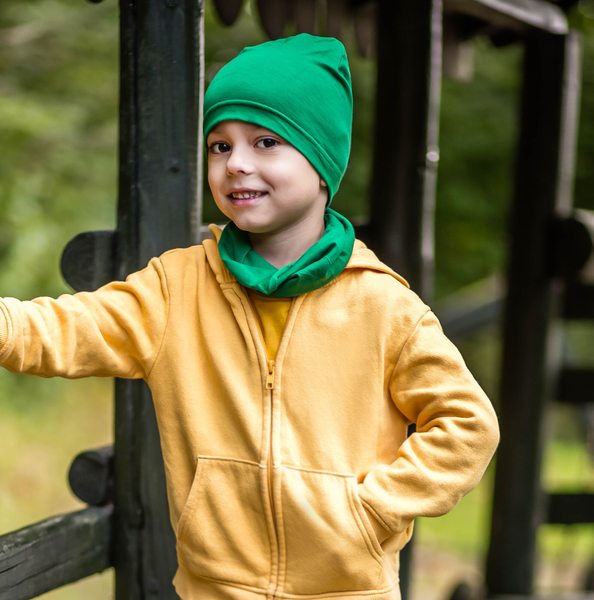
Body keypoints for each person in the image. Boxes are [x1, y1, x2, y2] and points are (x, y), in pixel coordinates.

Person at [0, 34, 499, 600]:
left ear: (321, 165)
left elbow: (468, 425)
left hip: (348, 590)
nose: (236, 163)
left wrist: (372, 511)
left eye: (265, 142)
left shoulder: (383, 306)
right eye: (219, 146)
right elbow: (66, 329)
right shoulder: (177, 287)